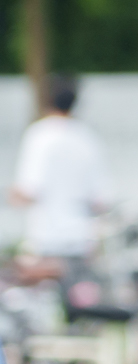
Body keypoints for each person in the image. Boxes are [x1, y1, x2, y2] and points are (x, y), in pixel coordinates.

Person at [7, 75, 110, 260]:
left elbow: (29, 191)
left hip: (46, 242)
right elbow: (101, 199)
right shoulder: (87, 137)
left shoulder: (39, 135)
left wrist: (11, 195)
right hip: (82, 241)